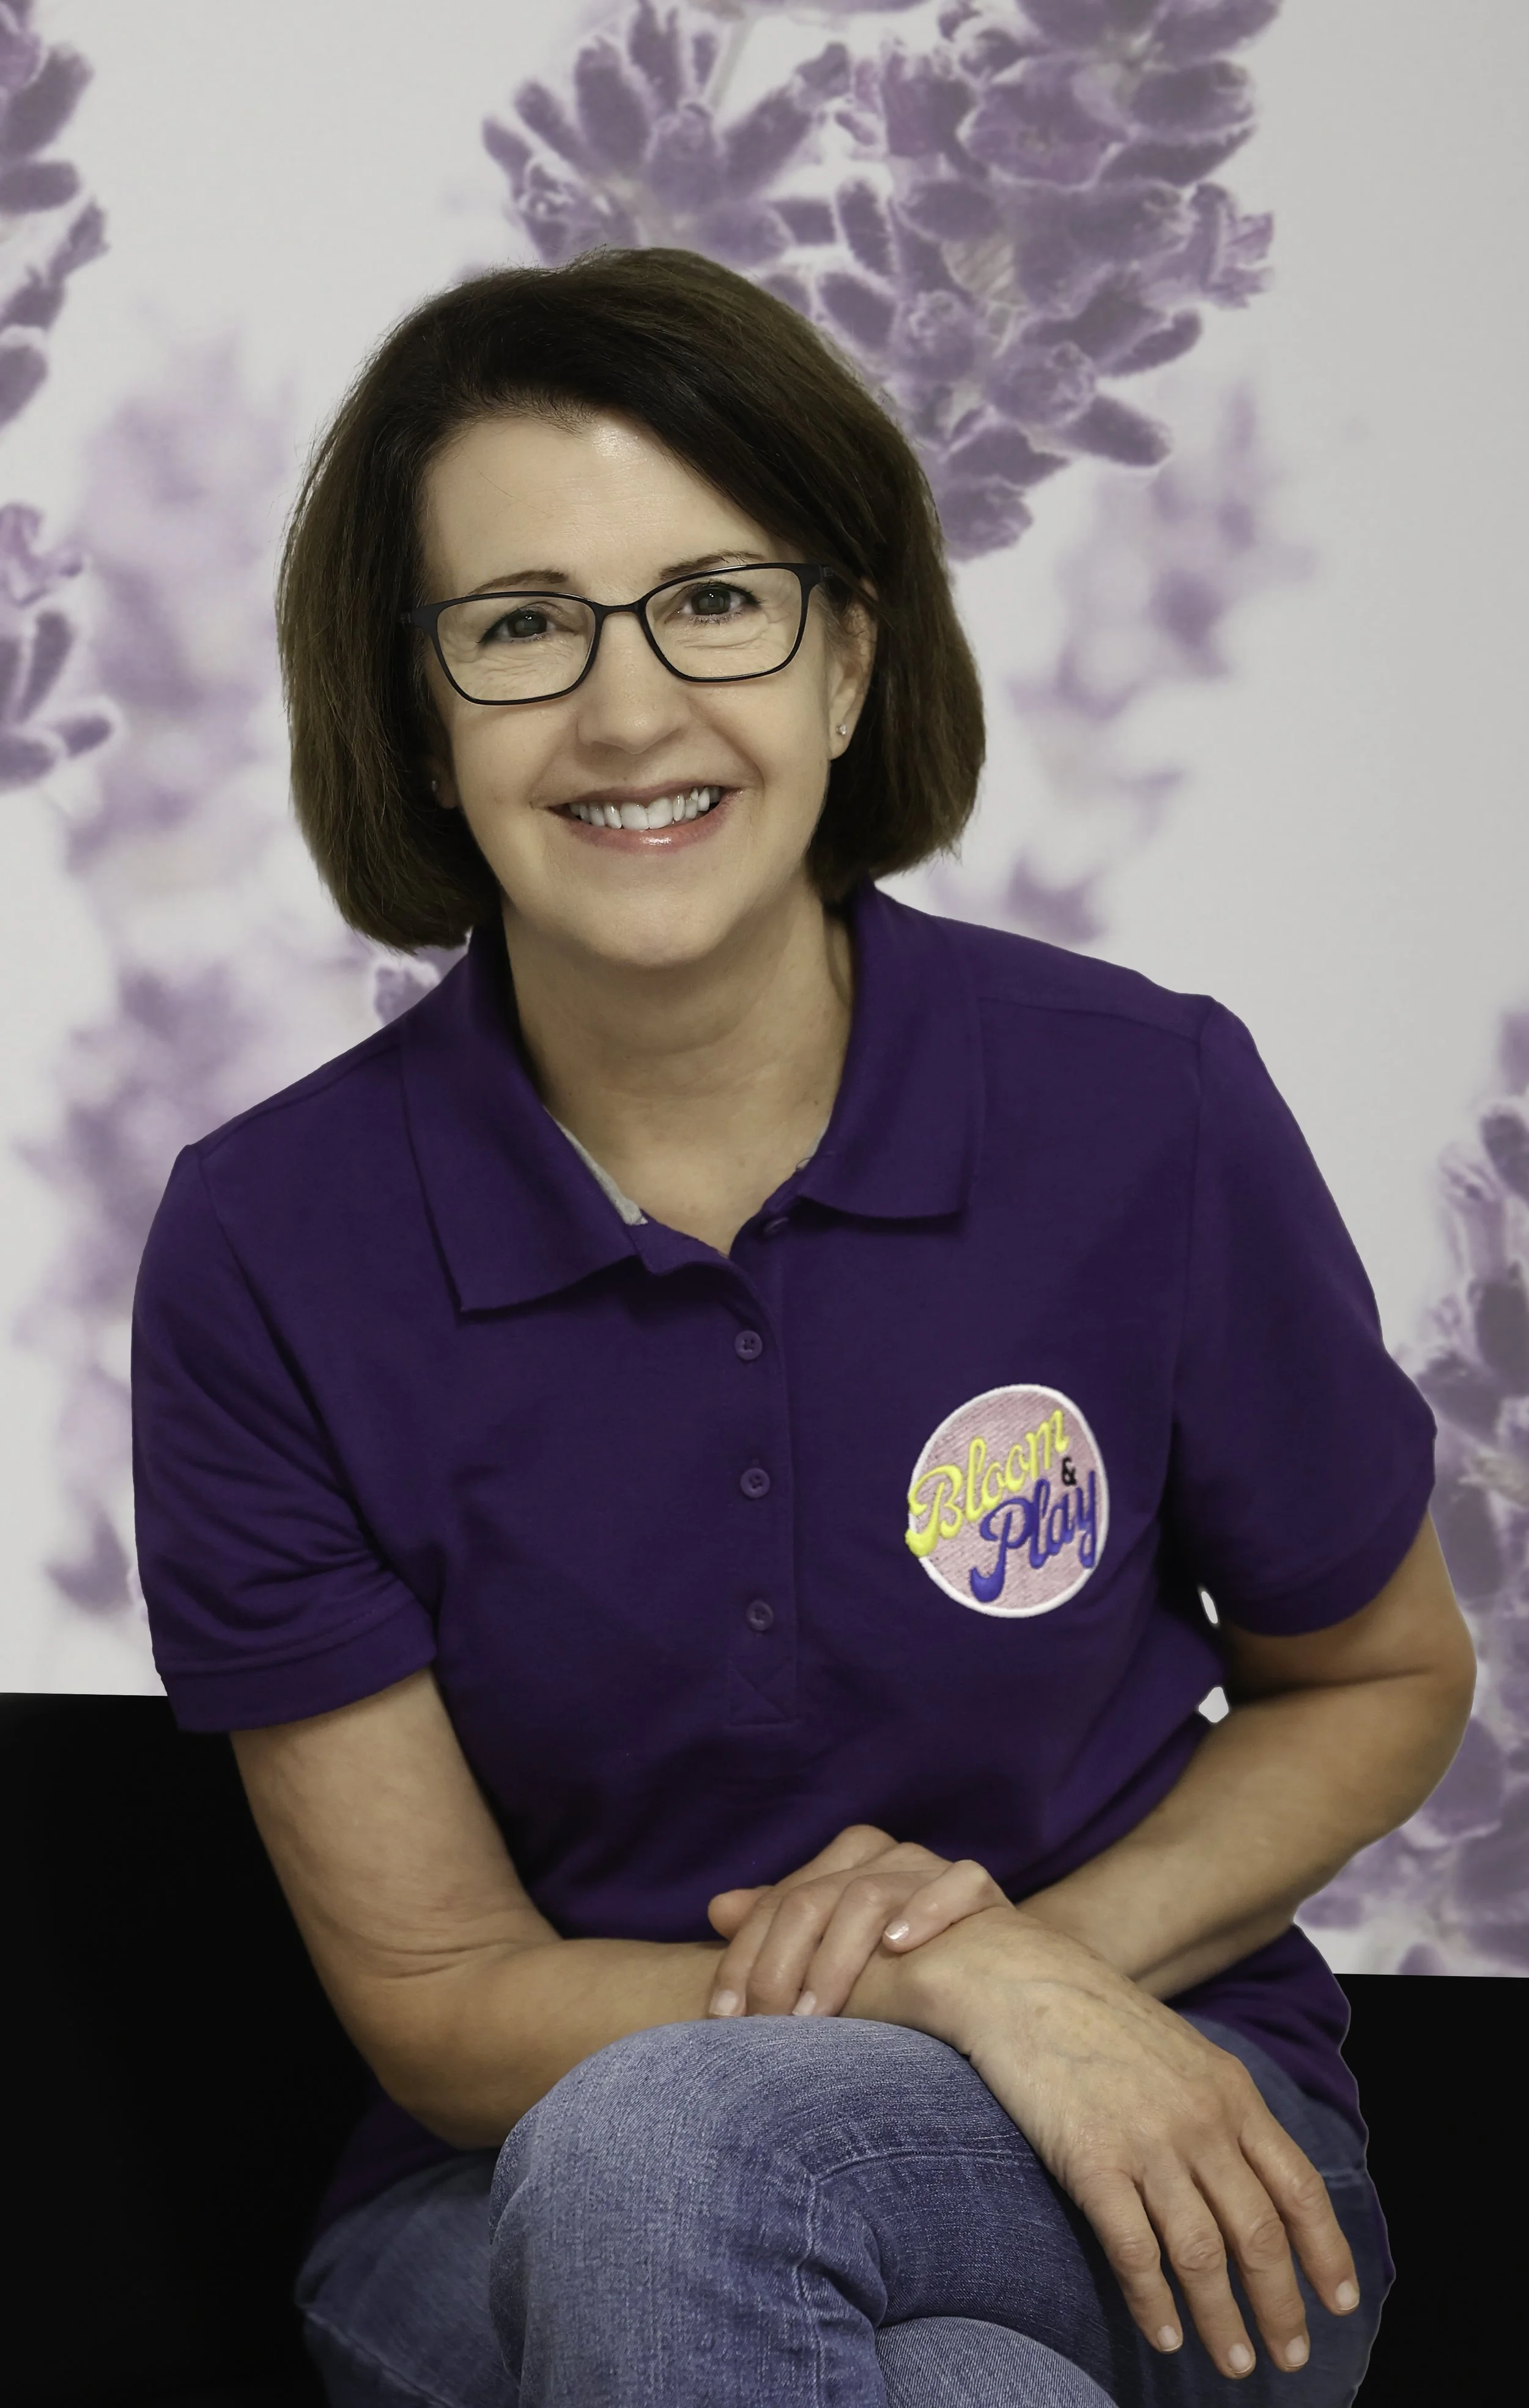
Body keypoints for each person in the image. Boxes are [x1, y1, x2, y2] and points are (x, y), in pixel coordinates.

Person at [131, 248, 1475, 2408]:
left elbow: (1383, 1674)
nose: (630, 707)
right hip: (496, 2191)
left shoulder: (1144, 1105)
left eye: (719, 600)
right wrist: (951, 1987)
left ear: (849, 659)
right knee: (773, 2254)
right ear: (411, 712)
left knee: (693, 2180)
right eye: (518, 628)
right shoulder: (269, 1244)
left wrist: (1040, 1976)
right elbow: (447, 1998)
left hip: (1165, 2124)